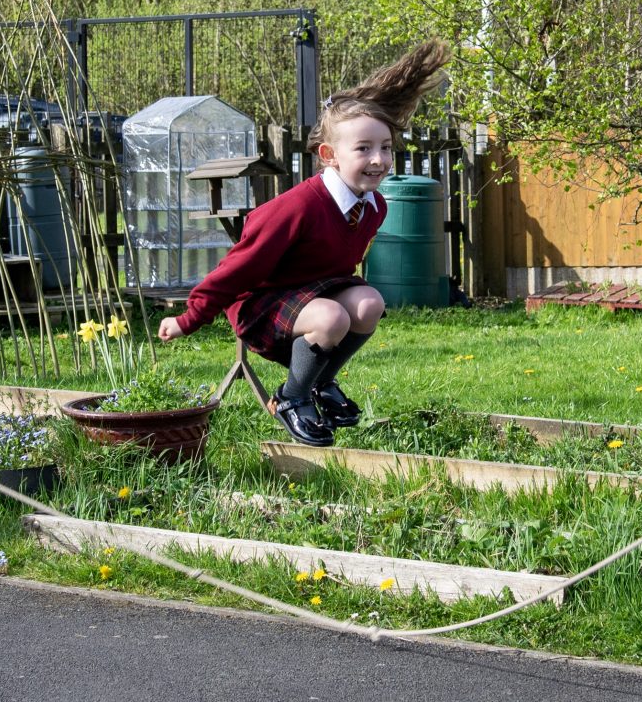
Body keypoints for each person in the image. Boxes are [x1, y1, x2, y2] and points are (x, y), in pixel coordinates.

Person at [158, 42, 449, 445]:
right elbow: (238, 267)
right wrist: (189, 318)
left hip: (313, 294)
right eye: (363, 149)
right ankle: (291, 398)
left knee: (369, 303)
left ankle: (321, 382)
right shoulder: (297, 207)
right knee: (331, 318)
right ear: (330, 154)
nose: (378, 159)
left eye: (385, 147)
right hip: (261, 304)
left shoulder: (373, 206)